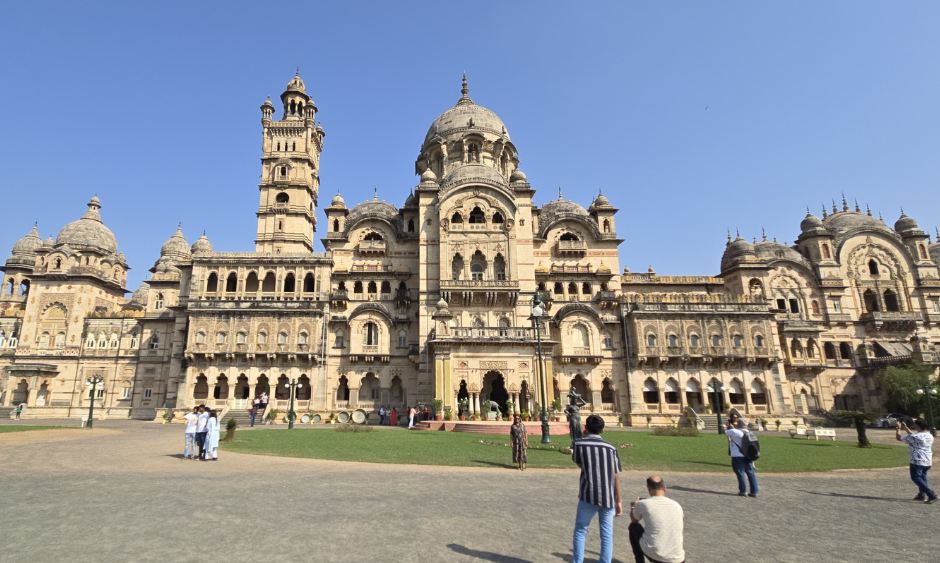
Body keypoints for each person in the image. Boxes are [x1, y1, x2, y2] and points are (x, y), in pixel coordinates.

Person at [571, 415, 622, 563]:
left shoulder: (579, 444)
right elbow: (616, 476)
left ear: (585, 428)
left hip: (588, 495)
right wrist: (619, 500)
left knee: (581, 531)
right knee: (607, 534)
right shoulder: (611, 449)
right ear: (603, 429)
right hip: (608, 497)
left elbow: (579, 463)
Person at [628, 476, 686, 563]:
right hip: (678, 558)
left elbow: (634, 520)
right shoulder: (676, 505)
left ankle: (639, 561)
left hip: (658, 555)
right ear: (664, 488)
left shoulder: (643, 503)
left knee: (633, 527)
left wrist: (633, 506)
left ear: (648, 488)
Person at [897, 418, 936, 503]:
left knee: (916, 477)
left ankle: (931, 494)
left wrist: (898, 428)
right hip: (927, 460)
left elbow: (899, 438)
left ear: (918, 426)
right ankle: (922, 494)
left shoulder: (916, 436)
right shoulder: (929, 435)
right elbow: (914, 436)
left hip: (917, 460)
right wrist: (906, 428)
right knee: (923, 477)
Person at [725, 413, 758, 497]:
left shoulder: (735, 431)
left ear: (738, 424)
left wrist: (726, 427)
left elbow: (724, 432)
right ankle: (754, 492)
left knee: (740, 473)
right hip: (748, 455)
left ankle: (743, 491)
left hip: (737, 456)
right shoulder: (750, 433)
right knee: (751, 473)